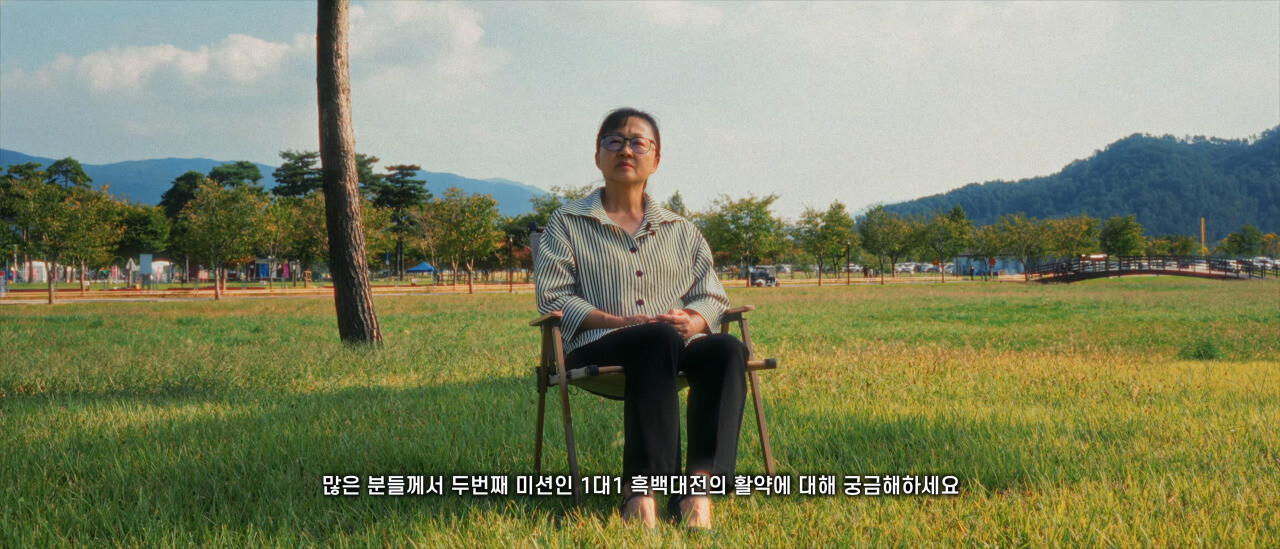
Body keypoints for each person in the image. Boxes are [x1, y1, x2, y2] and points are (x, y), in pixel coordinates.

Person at [534, 108, 746, 529]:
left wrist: (693, 320)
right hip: (594, 345)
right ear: (598, 156)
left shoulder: (681, 230)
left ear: (656, 158)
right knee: (655, 337)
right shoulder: (567, 222)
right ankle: (642, 493)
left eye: (638, 142)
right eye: (614, 140)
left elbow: (712, 295)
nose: (625, 150)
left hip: (673, 345)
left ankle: (697, 492)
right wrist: (617, 323)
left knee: (725, 348)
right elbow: (554, 298)